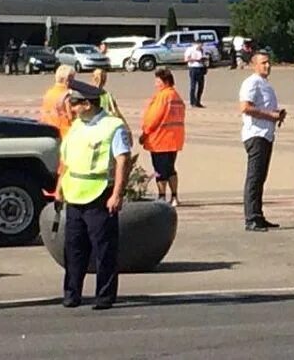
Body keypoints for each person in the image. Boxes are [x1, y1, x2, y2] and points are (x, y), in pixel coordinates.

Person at [54, 79, 132, 311]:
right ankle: (72, 293)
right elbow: (67, 161)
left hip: (99, 193)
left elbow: (123, 160)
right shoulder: (78, 125)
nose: (72, 108)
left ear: (87, 104)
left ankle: (104, 295)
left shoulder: (113, 126)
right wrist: (59, 188)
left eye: (75, 103)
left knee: (104, 248)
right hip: (75, 192)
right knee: (73, 247)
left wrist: (117, 193)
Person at [238, 52, 286, 232]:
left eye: (268, 63)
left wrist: (277, 115)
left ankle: (257, 215)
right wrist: (271, 115)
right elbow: (245, 107)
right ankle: (251, 218)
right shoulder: (252, 82)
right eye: (263, 63)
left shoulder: (265, 84)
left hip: (266, 134)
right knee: (254, 176)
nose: (267, 66)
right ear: (254, 65)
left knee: (260, 177)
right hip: (256, 134)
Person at [140, 68, 186, 206]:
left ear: (165, 81)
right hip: (174, 139)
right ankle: (174, 197)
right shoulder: (176, 96)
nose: (156, 84)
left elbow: (153, 118)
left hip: (160, 139)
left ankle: (161, 197)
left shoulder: (163, 96)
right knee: (170, 168)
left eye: (158, 81)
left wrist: (145, 133)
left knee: (160, 170)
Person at [41, 65, 76, 139]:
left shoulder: (48, 93)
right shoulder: (67, 96)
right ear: (67, 79)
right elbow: (71, 118)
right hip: (65, 134)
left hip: (49, 132)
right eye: (73, 78)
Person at [185, 41, 207, 108]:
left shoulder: (202, 50)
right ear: (197, 44)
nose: (201, 46)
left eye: (202, 45)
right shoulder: (190, 49)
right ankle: (192, 102)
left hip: (200, 68)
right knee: (193, 86)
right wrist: (196, 60)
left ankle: (198, 101)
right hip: (193, 68)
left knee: (201, 86)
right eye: (200, 45)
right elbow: (186, 59)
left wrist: (204, 61)